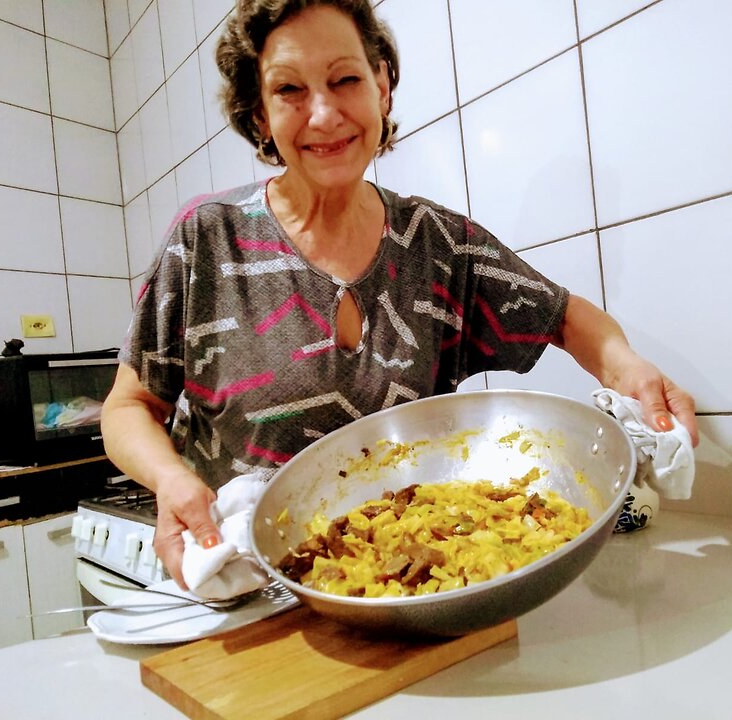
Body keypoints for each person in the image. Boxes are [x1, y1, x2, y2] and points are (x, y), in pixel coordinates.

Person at [101, 0, 698, 591]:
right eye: (289, 90)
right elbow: (129, 408)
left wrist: (630, 369)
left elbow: (564, 318)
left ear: (382, 85)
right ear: (259, 113)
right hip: (248, 599)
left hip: (413, 598)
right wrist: (171, 481)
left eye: (345, 79)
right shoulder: (208, 239)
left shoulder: (438, 244)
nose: (325, 113)